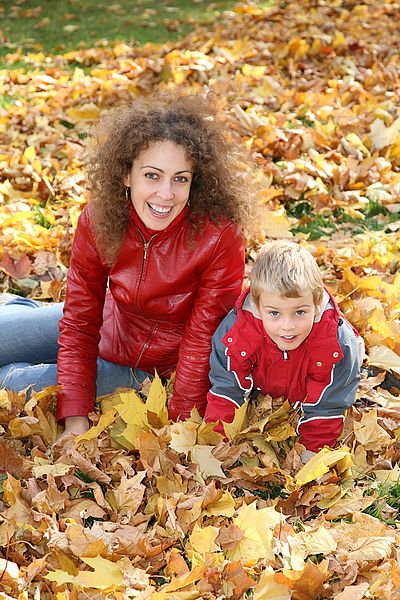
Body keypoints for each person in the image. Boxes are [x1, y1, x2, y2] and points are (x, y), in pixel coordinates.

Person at [0, 89, 257, 440]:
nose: (166, 194)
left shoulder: (219, 236)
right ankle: (15, 308)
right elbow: (80, 318)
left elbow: (200, 341)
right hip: (109, 323)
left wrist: (180, 425)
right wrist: (76, 417)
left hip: (153, 368)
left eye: (180, 178)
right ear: (126, 174)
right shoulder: (100, 219)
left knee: (9, 381)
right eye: (152, 175)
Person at [204, 240, 365, 457]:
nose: (287, 326)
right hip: (267, 382)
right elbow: (226, 388)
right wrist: (215, 446)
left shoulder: (337, 344)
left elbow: (328, 405)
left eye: (299, 312)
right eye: (274, 313)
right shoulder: (236, 333)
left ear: (317, 304)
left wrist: (310, 455)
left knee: (341, 381)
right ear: (257, 307)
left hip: (313, 384)